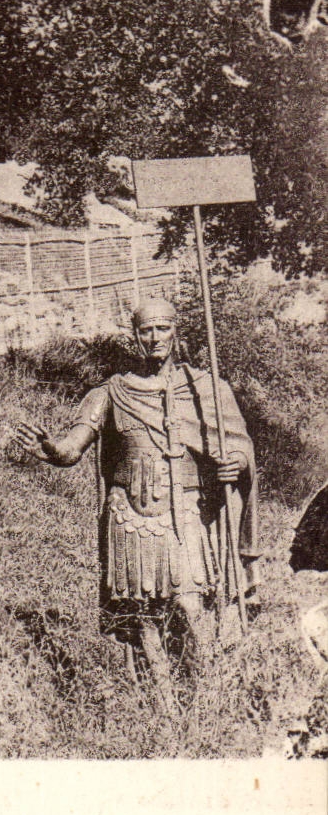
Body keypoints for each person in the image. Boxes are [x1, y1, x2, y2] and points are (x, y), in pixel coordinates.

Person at [14, 297, 255, 706]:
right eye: (146, 330)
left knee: (190, 608)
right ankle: (160, 706)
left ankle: (203, 699)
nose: (155, 337)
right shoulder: (111, 391)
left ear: (176, 331)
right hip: (129, 518)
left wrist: (236, 462)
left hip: (185, 514)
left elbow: (240, 446)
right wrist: (52, 449)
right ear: (135, 336)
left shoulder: (204, 390)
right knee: (143, 617)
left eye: (162, 328)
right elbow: (74, 446)